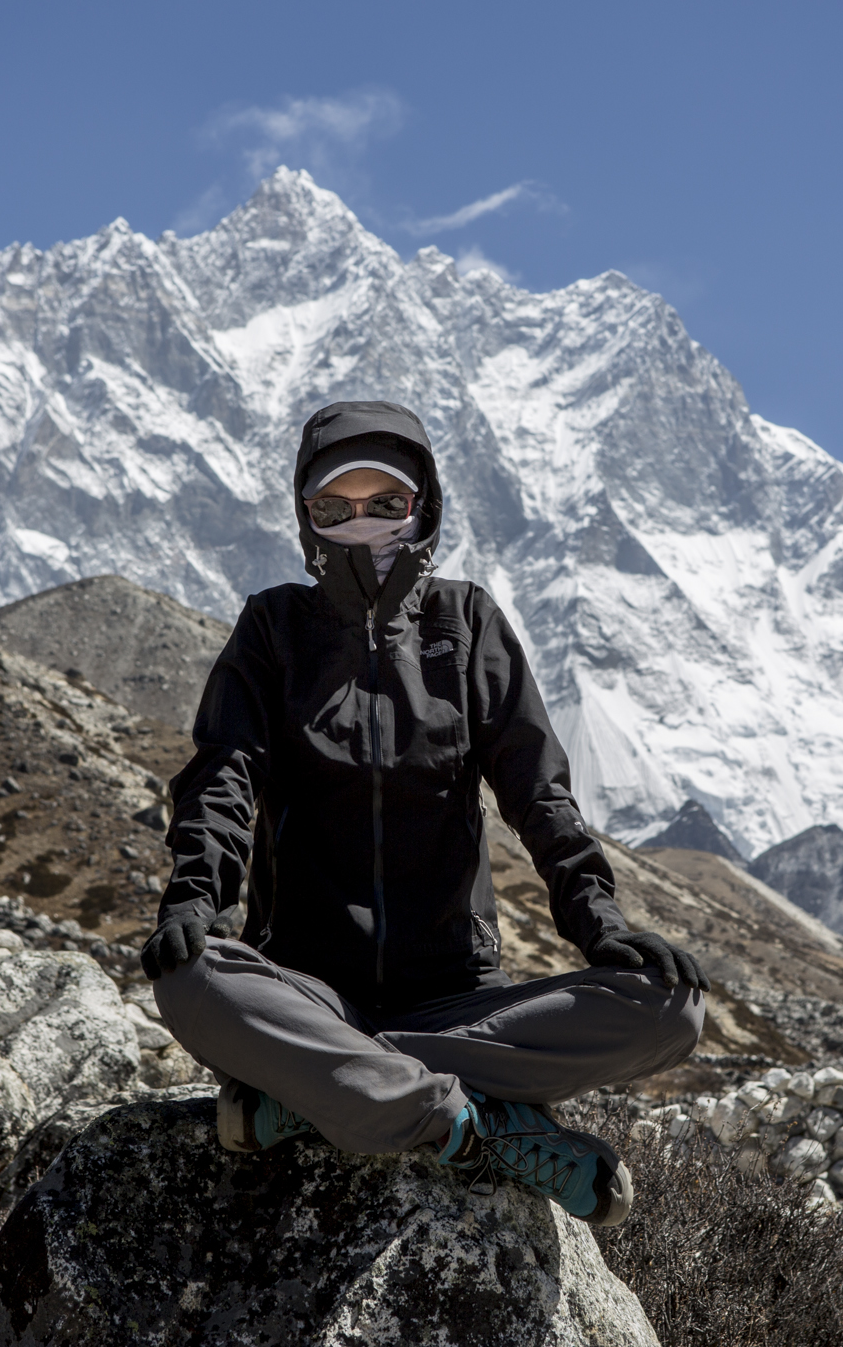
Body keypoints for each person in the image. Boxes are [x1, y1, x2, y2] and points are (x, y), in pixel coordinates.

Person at [144, 399, 708, 1227]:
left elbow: (539, 792)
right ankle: (478, 1122)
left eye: (385, 502)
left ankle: (326, 1090)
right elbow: (224, 773)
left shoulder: (467, 623)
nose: (361, 523)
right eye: (334, 507)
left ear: (423, 507)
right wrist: (196, 897)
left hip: (459, 998)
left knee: (671, 1007)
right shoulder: (274, 628)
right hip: (309, 988)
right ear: (305, 515)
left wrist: (601, 922)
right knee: (190, 978)